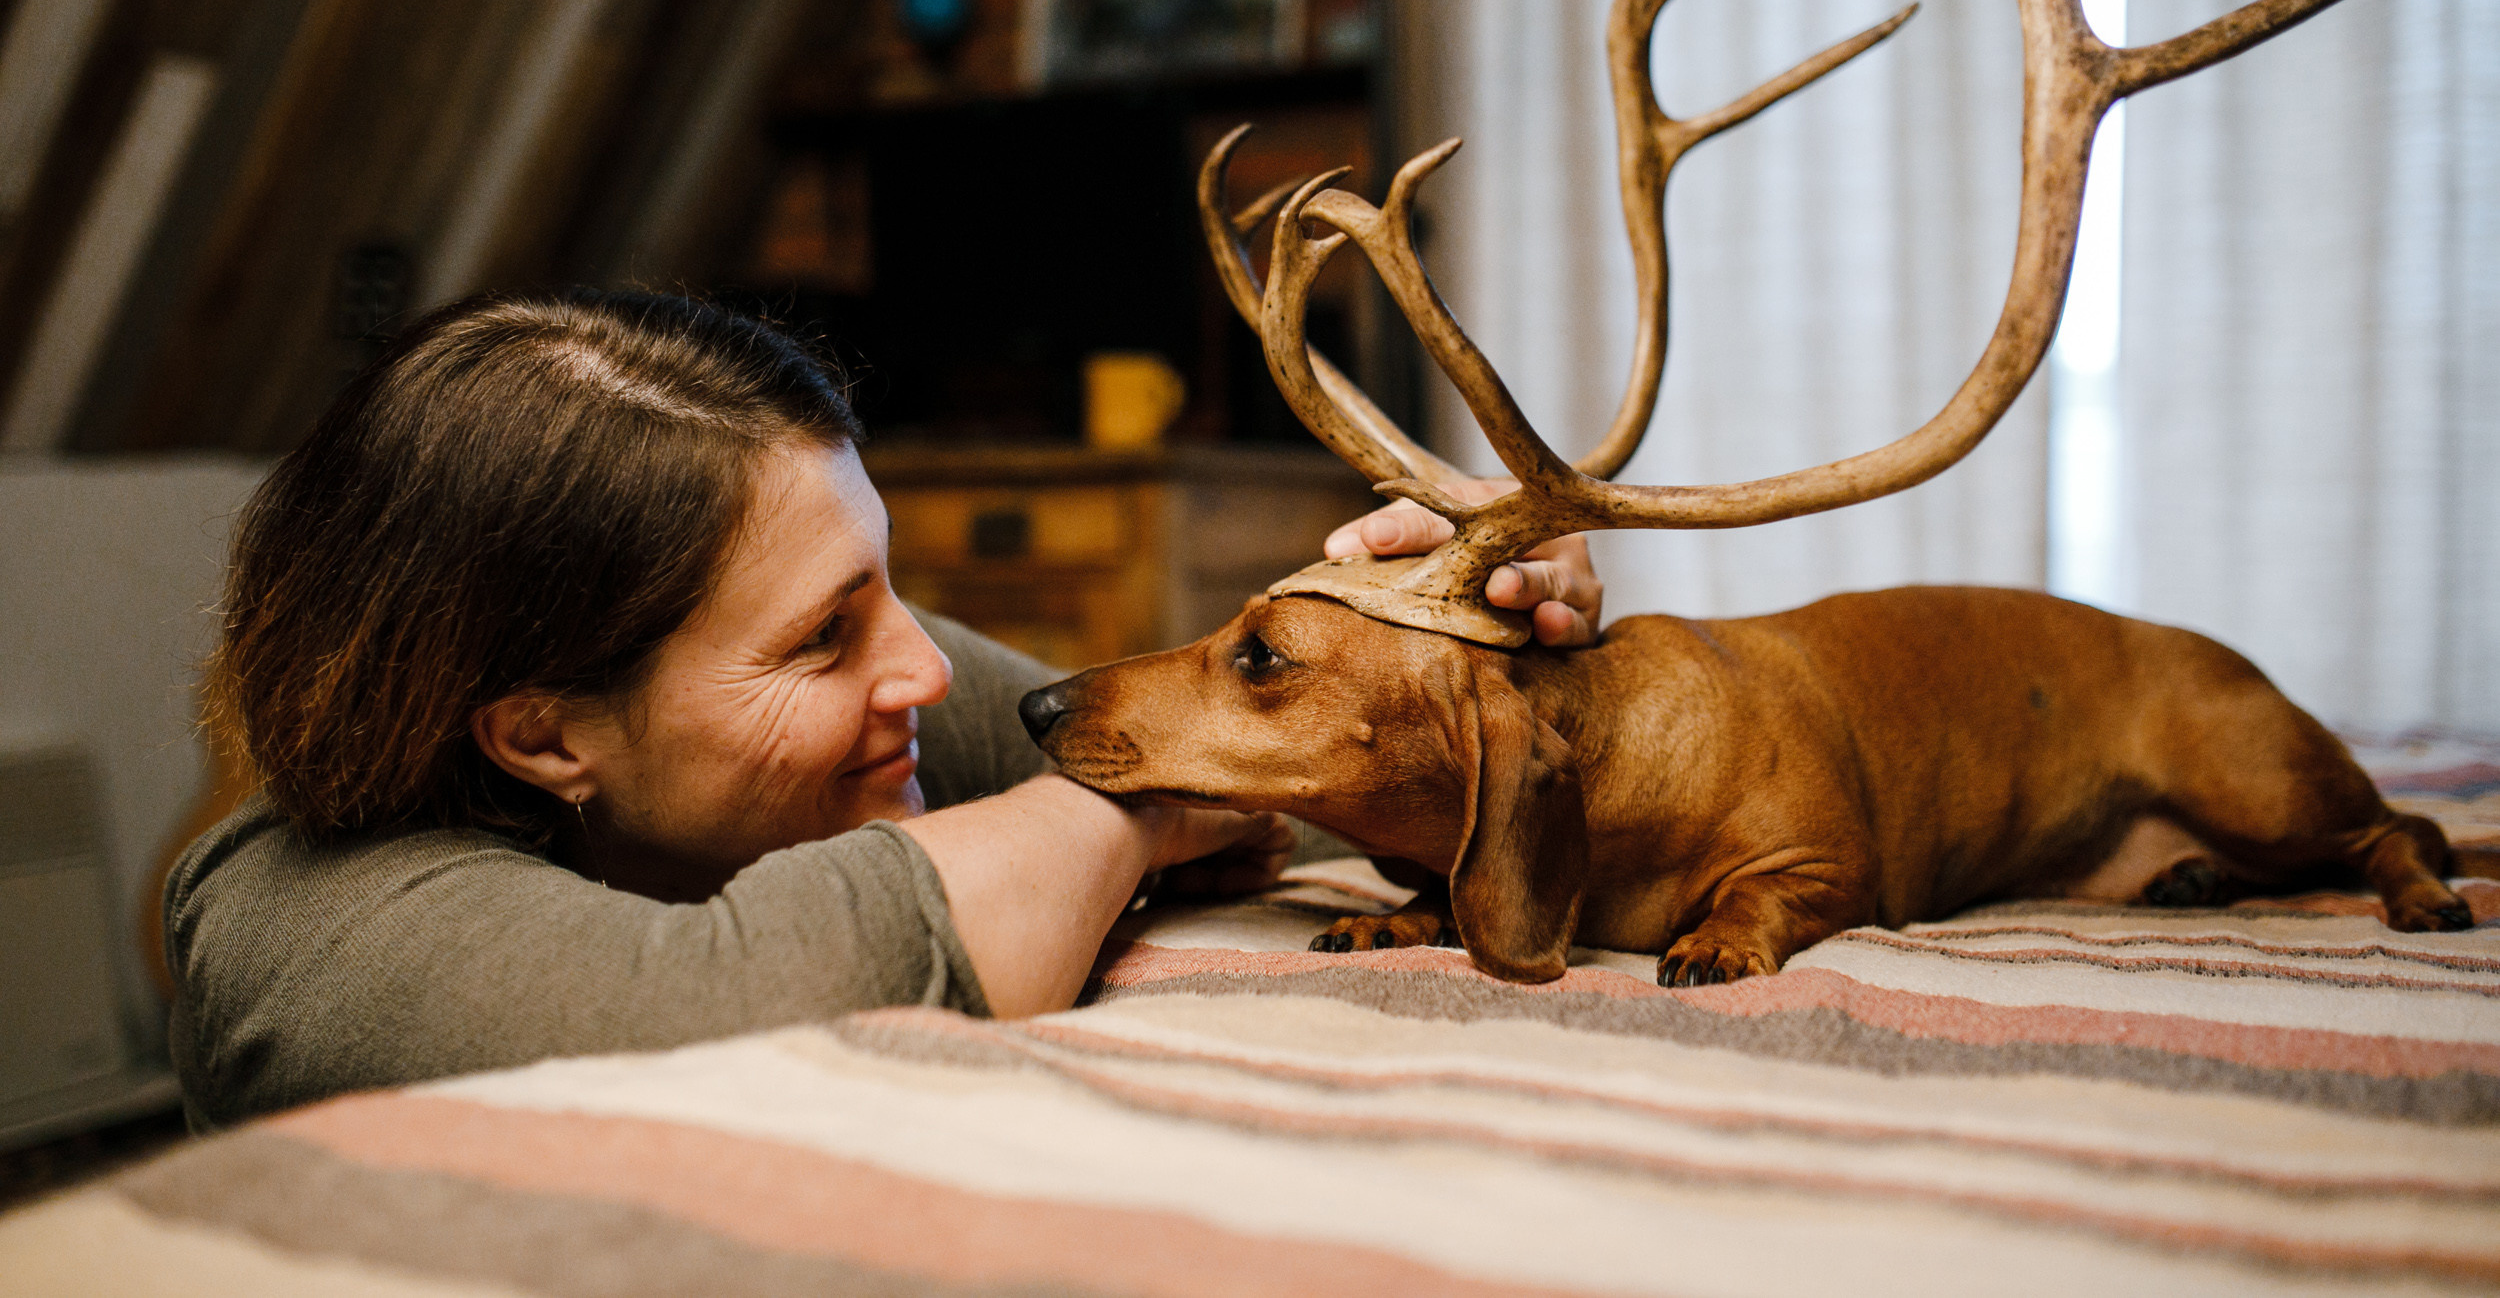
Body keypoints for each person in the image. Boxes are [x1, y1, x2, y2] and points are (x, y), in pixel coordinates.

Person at [165, 290, 1599, 1130]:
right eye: (822, 637)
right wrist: (1137, 814)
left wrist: (1464, 655)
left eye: (887, 585)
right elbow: (745, 992)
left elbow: (1277, 774)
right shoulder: (302, 931)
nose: (926, 670)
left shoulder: (847, 713)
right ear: (543, 736)